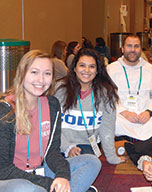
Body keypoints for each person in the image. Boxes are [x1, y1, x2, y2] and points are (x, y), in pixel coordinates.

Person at [0, 50, 101, 192]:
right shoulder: (5, 110)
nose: (41, 80)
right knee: (26, 188)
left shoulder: (52, 104)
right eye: (34, 72)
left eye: (47, 73)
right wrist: (48, 184)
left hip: (41, 170)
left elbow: (52, 152)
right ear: (22, 74)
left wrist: (63, 176)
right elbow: (2, 168)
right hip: (10, 178)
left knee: (92, 162)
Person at [54, 48, 126, 164]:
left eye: (92, 66)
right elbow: (52, 125)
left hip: (86, 145)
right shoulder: (60, 89)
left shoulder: (106, 93)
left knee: (93, 163)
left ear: (97, 70)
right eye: (82, 65)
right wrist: (67, 148)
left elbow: (107, 128)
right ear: (74, 68)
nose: (87, 70)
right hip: (59, 142)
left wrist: (112, 157)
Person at [107, 35, 152, 142]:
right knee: (107, 118)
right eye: (129, 46)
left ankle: (130, 138)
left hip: (145, 118)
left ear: (141, 49)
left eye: (136, 46)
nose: (132, 50)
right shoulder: (111, 69)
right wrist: (124, 112)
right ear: (122, 49)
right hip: (121, 117)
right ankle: (143, 139)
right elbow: (106, 97)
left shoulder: (151, 69)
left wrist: (149, 112)